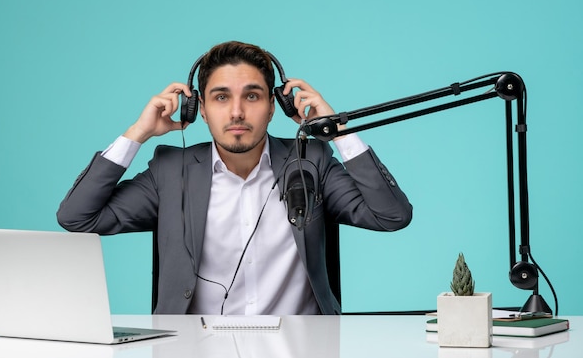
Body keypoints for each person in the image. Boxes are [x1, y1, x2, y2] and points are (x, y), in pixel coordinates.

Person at [57, 40, 412, 315]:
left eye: (252, 96)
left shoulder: (311, 161)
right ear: (201, 111)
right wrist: (137, 133)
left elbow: (391, 215)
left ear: (275, 107)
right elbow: (77, 216)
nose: (237, 111)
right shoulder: (171, 171)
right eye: (221, 97)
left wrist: (338, 133)